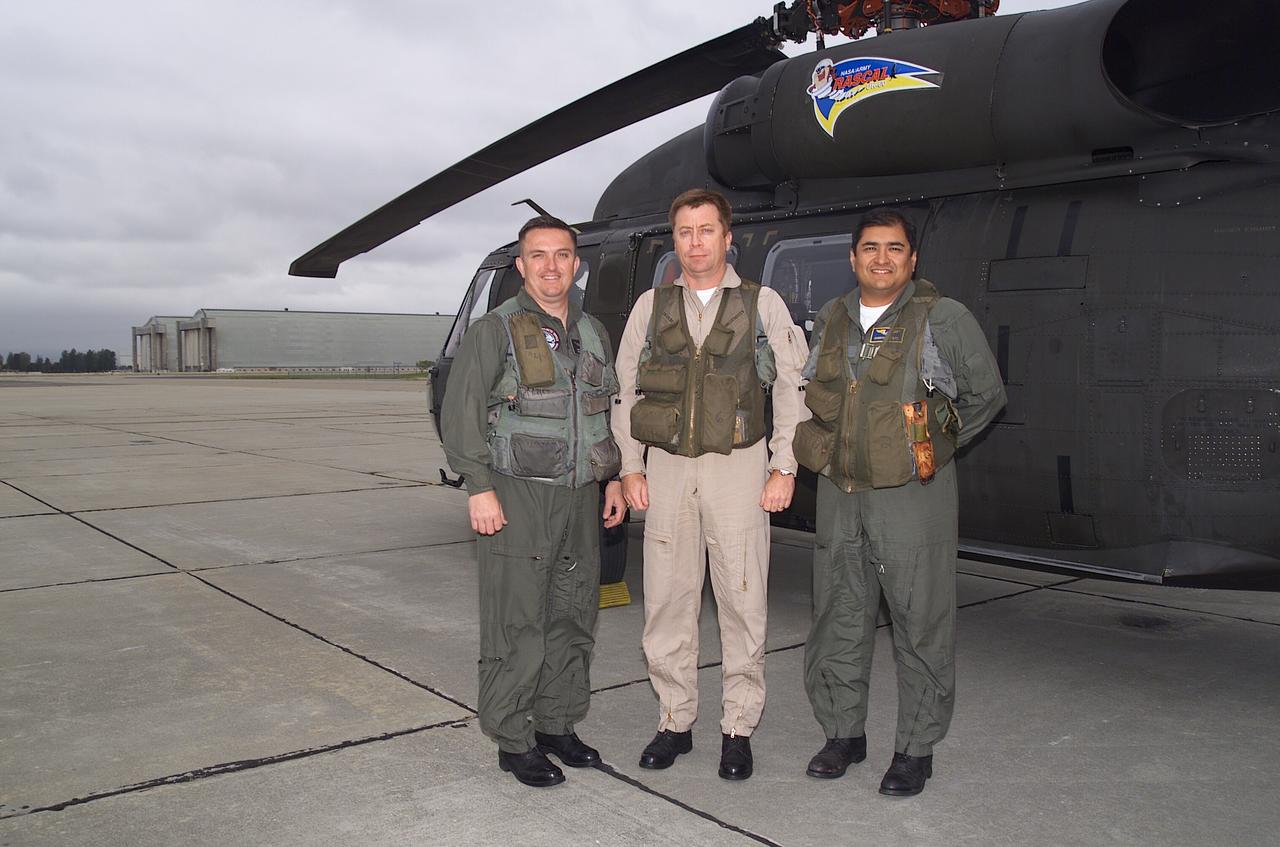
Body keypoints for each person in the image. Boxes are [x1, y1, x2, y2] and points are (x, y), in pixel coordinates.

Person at [796, 208, 1006, 797]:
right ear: (853, 257)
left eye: (894, 248)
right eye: (870, 248)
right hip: (840, 494)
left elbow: (987, 395)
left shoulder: (943, 318)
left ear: (912, 260)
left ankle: (915, 747)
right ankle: (844, 734)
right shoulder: (833, 319)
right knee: (838, 615)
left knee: (920, 622)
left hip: (914, 499)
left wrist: (931, 449)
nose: (881, 258)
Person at [612, 189, 809, 781]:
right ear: (674, 240)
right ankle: (675, 720)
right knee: (667, 601)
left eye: (706, 231)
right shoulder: (651, 306)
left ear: (728, 238)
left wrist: (784, 467)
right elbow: (626, 389)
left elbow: (791, 388)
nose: (694, 243)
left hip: (738, 469)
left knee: (742, 601)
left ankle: (737, 728)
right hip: (668, 470)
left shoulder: (762, 303)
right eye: (683, 232)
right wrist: (630, 466)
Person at [441, 215, 627, 788]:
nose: (552, 266)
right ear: (521, 266)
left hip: (579, 497)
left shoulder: (592, 331)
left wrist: (614, 478)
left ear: (577, 264)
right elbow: (462, 414)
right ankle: (513, 737)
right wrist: (480, 488)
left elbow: (602, 411)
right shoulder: (494, 330)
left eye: (562, 256)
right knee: (517, 620)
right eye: (538, 256)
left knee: (573, 615)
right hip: (516, 494)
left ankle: (556, 724)